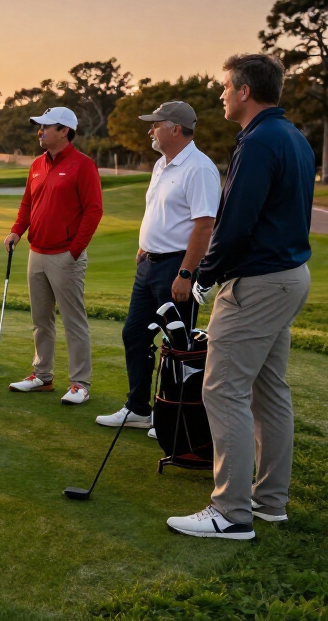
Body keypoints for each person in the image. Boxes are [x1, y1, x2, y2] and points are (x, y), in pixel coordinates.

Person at [167, 53, 314, 541]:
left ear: (245, 90)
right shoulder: (293, 137)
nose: (221, 94)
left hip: (258, 283)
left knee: (223, 388)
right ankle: (269, 501)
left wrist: (205, 275)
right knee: (269, 391)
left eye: (226, 87)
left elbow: (234, 225)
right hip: (290, 276)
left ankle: (230, 513)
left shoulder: (257, 142)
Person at [96, 101, 219, 435]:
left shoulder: (200, 168)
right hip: (149, 265)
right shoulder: (161, 165)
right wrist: (144, 245)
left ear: (175, 128)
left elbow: (204, 226)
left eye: (156, 124)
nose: (150, 130)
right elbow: (159, 211)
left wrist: (186, 273)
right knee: (135, 335)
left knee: (178, 347)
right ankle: (138, 409)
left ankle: (175, 416)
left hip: (176, 269)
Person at [4, 106, 103, 405]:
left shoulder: (83, 165)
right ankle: (42, 375)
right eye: (40, 126)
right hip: (37, 252)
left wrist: (75, 249)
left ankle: (80, 384)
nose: (40, 131)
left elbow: (93, 210)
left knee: (73, 321)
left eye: (46, 126)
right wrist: (16, 231)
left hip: (66, 256)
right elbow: (27, 204)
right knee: (40, 319)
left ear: (64, 131)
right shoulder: (36, 164)